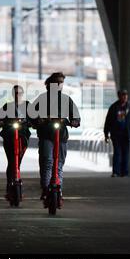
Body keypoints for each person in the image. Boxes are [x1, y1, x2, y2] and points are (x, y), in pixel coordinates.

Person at [29, 72, 80, 206]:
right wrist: (37, 120)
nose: (59, 85)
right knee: (47, 162)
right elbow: (31, 114)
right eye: (56, 82)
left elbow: (75, 115)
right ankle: (46, 189)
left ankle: (59, 189)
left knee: (59, 164)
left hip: (61, 135)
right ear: (50, 84)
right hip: (46, 134)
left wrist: (74, 121)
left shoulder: (66, 99)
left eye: (61, 83)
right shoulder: (42, 99)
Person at [0, 85, 32, 200]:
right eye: (15, 93)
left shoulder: (27, 106)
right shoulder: (7, 106)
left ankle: (15, 181)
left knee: (17, 162)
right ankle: (9, 187)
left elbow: (35, 118)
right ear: (12, 94)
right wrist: (0, 122)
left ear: (23, 94)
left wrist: (33, 122)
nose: (18, 95)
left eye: (20, 93)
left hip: (23, 137)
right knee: (11, 161)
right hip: (9, 137)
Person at [104, 89, 130, 177]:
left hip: (127, 134)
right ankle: (116, 172)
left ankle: (124, 172)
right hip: (116, 134)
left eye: (126, 95)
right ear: (119, 96)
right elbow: (108, 121)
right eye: (122, 95)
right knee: (117, 153)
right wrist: (106, 134)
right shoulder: (113, 107)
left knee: (125, 153)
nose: (125, 97)